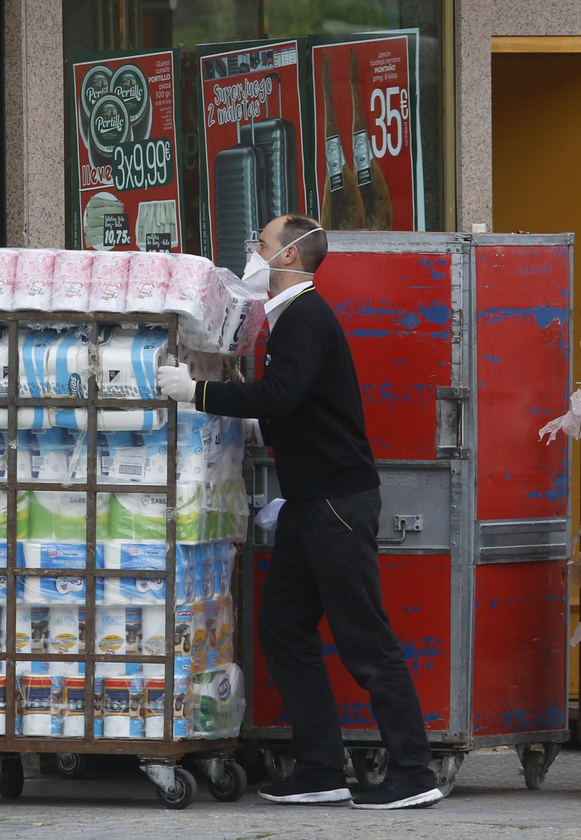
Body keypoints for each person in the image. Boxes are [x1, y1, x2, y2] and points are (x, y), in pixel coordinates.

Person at [155, 214, 443, 811]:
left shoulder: (304, 318)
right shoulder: (287, 320)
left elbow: (281, 393)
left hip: (336, 504)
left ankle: (414, 770)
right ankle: (318, 766)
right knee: (283, 625)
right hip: (309, 503)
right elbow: (295, 404)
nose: (251, 252)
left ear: (288, 256)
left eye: (259, 243)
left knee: (365, 640)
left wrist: (197, 392)